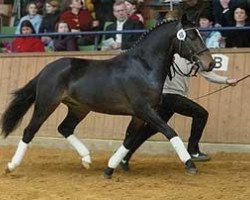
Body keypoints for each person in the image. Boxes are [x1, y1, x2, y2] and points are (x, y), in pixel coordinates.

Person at [120, 54, 238, 170]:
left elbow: (207, 74)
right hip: (170, 96)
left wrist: (226, 80)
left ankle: (125, 156)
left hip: (168, 98)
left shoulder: (191, 58)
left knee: (150, 130)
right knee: (201, 114)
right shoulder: (167, 55)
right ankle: (193, 151)